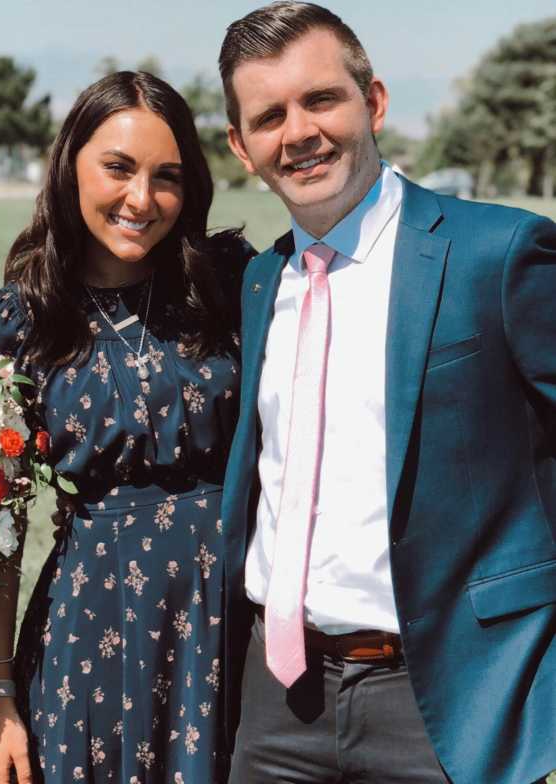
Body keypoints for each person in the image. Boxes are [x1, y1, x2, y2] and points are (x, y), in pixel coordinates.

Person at [217, 3, 556, 783]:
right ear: (242, 148)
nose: (298, 133)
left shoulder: (496, 253)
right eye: (269, 116)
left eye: (321, 100)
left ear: (372, 102)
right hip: (278, 707)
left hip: (457, 703)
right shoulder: (261, 281)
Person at [0, 71, 252, 784]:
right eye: (118, 168)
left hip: (236, 621)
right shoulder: (17, 323)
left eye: (167, 178)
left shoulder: (228, 284)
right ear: (70, 167)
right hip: (95, 625)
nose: (140, 199)